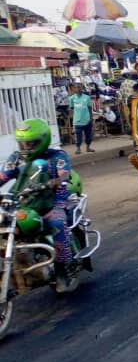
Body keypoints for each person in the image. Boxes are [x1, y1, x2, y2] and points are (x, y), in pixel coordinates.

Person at [0, 119, 76, 290]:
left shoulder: (57, 156)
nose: (26, 147)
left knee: (57, 223)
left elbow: (64, 175)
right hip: (25, 201)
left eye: (31, 143)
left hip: (53, 200)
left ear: (43, 140)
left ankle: (62, 268)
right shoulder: (16, 158)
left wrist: (54, 181)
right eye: (23, 143)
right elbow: (4, 176)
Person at [69, 83, 95, 154]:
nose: (78, 89)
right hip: (77, 121)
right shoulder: (72, 98)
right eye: (77, 87)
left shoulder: (87, 97)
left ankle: (88, 147)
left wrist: (91, 118)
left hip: (87, 120)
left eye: (80, 87)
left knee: (88, 135)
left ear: (82, 88)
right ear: (74, 89)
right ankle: (78, 148)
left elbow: (90, 108)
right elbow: (71, 109)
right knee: (78, 136)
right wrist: (73, 120)